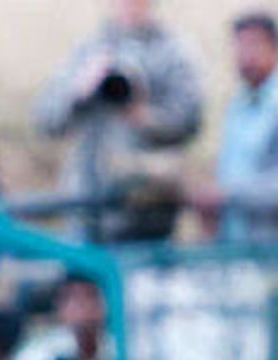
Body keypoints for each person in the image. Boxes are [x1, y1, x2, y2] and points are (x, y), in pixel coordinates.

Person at [33, 0, 204, 241]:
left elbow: (189, 121)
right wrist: (79, 90)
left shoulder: (173, 52)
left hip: (148, 207)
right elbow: (46, 120)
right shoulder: (88, 50)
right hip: (87, 204)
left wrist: (143, 117)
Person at [186, 11, 278, 240]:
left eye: (253, 46)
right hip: (240, 248)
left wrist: (230, 195)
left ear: (276, 49)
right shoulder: (238, 103)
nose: (245, 56)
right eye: (239, 47)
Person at [6, 274, 114, 360]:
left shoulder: (118, 354)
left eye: (91, 296)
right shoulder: (36, 358)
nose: (83, 305)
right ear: (60, 308)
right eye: (72, 298)